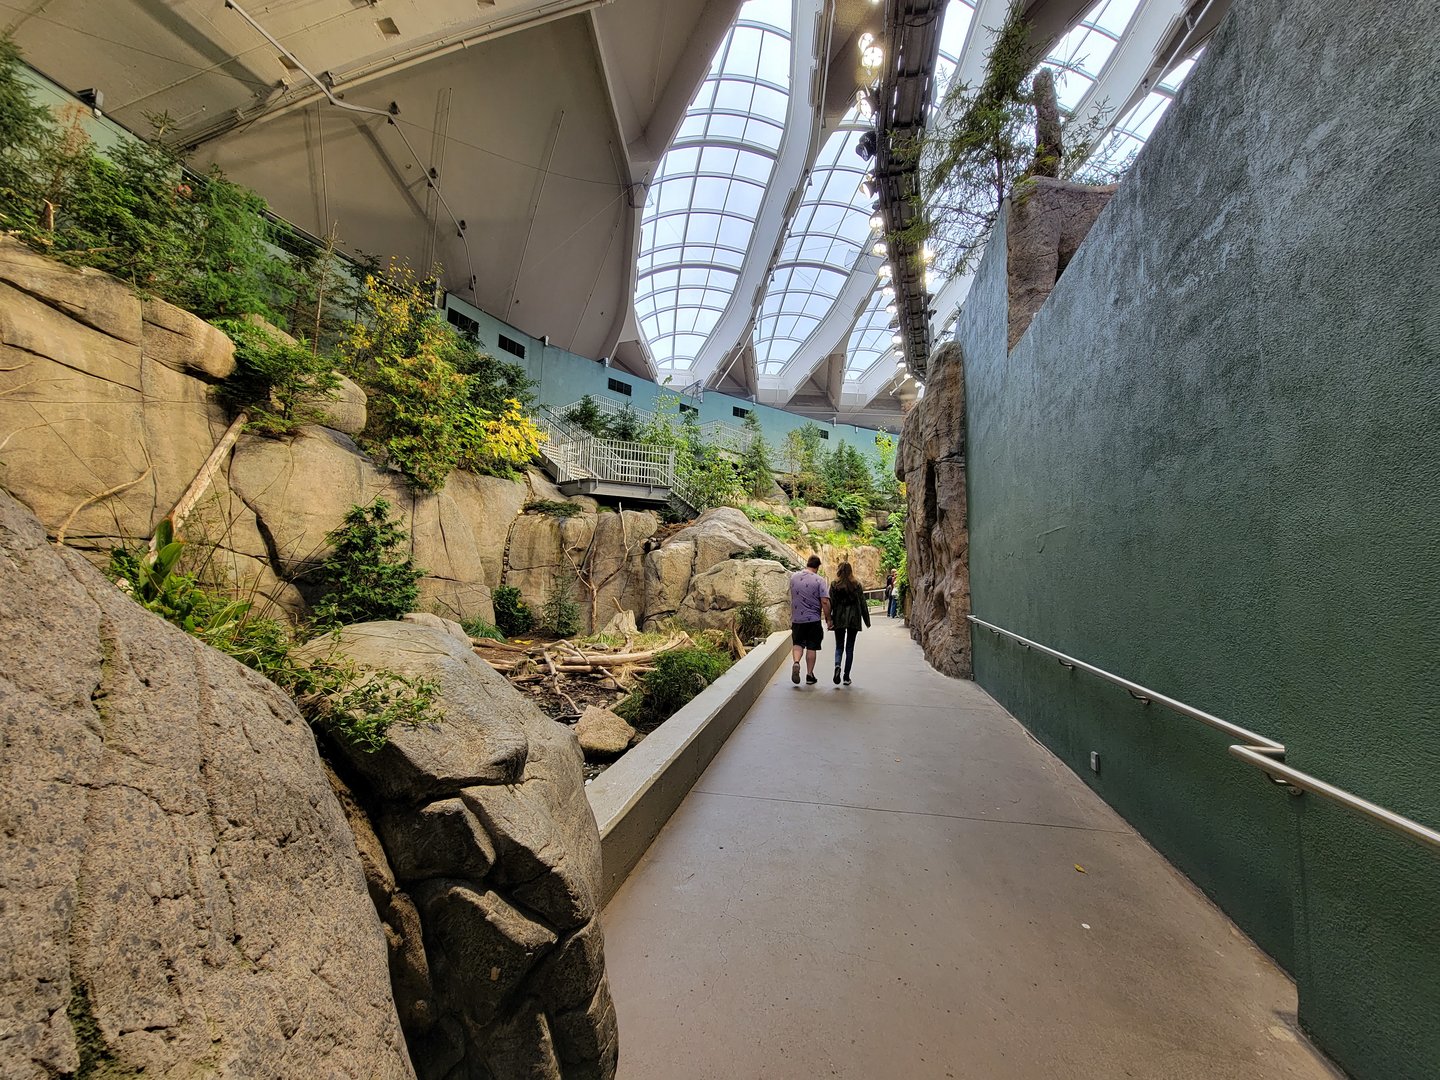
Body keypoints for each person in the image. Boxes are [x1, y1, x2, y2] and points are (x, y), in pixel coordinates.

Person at [827, 561, 871, 685]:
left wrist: (829, 619)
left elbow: (831, 603)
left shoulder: (834, 584)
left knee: (839, 646)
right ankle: (846, 676)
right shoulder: (856, 584)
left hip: (839, 618)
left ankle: (837, 666)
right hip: (854, 619)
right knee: (850, 648)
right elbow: (862, 603)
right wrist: (866, 620)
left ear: (839, 571)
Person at [789, 555, 830, 686]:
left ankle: (796, 663)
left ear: (807, 564)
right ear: (817, 567)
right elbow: (824, 601)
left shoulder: (794, 577)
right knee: (811, 647)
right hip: (813, 619)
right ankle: (809, 674)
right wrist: (829, 618)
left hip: (797, 619)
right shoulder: (819, 580)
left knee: (798, 643)